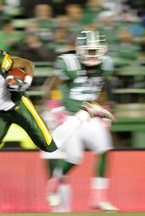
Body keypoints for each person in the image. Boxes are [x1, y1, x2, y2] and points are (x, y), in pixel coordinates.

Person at [0, 36, 116, 213]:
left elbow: (27, 65)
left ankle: (85, 111)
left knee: (50, 146)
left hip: (19, 105)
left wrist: (24, 83)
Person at [41, 30, 118, 212]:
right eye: (89, 51)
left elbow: (101, 88)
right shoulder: (68, 63)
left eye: (95, 50)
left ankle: (99, 197)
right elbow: (49, 87)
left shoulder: (106, 64)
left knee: (105, 149)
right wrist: (55, 108)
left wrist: (104, 108)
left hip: (89, 114)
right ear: (80, 49)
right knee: (75, 158)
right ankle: (54, 182)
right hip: (70, 115)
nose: (93, 54)